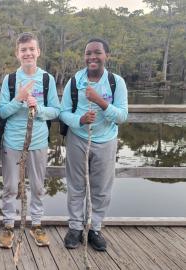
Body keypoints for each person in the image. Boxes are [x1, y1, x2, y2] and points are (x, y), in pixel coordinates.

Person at [60, 38, 128, 251]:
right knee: (76, 186)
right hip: (78, 139)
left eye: (97, 52)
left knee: (101, 189)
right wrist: (79, 120)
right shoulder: (75, 81)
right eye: (88, 53)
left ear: (106, 55)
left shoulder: (116, 82)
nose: (92, 57)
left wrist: (100, 101)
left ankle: (94, 228)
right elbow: (63, 112)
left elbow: (122, 116)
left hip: (106, 141)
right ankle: (75, 228)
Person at [0, 32, 60, 248]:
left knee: (37, 186)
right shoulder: (10, 79)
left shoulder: (46, 79)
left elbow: (56, 111)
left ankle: (36, 224)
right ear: (17, 53)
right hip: (12, 142)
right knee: (10, 187)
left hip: (38, 142)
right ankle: (7, 225)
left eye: (31, 49)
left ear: (38, 52)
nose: (28, 53)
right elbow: (2, 112)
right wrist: (19, 99)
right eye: (23, 50)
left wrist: (38, 109)